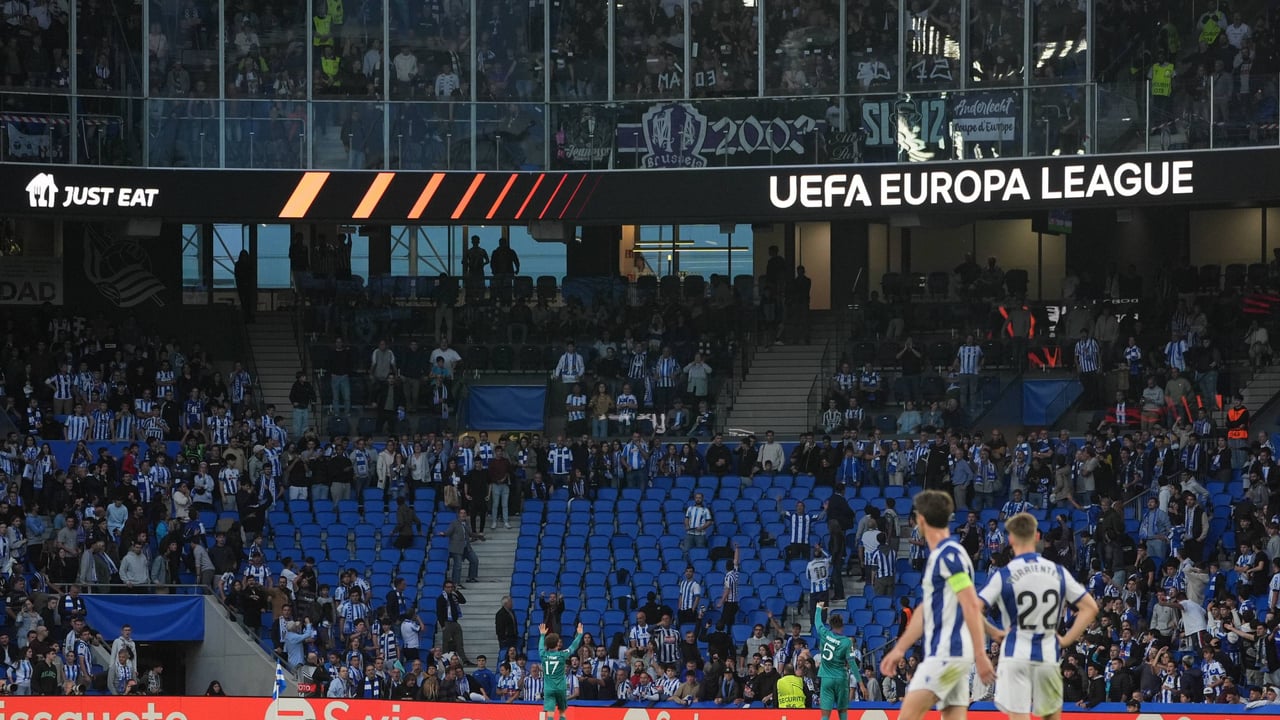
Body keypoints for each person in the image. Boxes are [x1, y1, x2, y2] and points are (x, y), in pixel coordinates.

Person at [880, 490, 995, 720]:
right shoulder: (944, 555)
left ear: (923, 520)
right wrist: (900, 649)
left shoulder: (948, 557)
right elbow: (925, 610)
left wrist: (981, 655)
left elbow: (969, 602)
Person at [979, 513, 1100, 720]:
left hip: (1016, 654)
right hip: (1047, 654)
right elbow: (1090, 607)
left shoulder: (1005, 574)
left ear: (1011, 540)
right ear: (1037, 538)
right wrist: (1067, 639)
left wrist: (997, 633)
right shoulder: (1057, 571)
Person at [813, 601, 859, 720]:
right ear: (843, 625)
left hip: (826, 678)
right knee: (842, 712)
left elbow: (817, 622)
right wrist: (861, 683)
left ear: (830, 624)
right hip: (841, 678)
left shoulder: (824, 633)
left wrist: (818, 608)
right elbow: (852, 663)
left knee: (825, 715)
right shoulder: (847, 641)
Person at [538, 621, 584, 720]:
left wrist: (542, 635)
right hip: (560, 688)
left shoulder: (543, 654)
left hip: (548, 689)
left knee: (550, 714)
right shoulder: (562, 654)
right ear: (557, 645)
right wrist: (579, 635)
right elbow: (573, 647)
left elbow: (540, 647)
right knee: (562, 712)